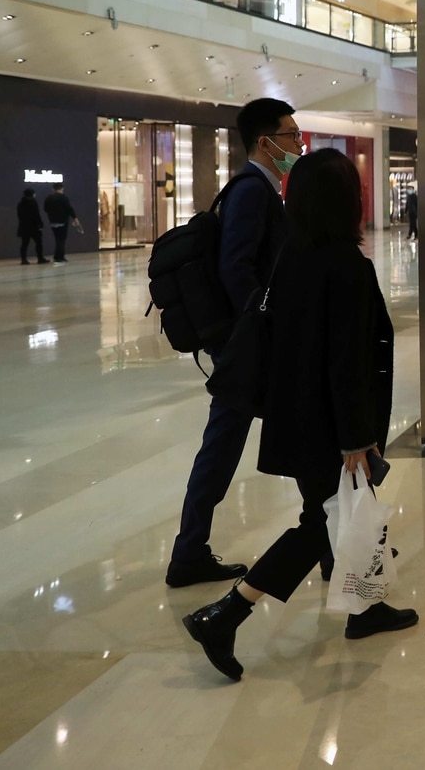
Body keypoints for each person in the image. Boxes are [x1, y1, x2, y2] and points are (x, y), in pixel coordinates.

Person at [183, 148, 415, 681]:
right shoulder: (345, 267)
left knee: (340, 514)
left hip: (299, 416)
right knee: (322, 522)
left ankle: (365, 608)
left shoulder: (292, 257)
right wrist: (356, 436)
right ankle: (225, 613)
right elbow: (346, 363)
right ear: (346, 202)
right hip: (333, 425)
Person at [166, 98, 298, 588]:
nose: (298, 143)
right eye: (290, 134)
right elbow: (235, 267)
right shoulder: (251, 191)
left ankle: (190, 549)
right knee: (223, 444)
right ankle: (188, 551)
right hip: (249, 346)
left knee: (231, 441)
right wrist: (259, 323)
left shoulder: (261, 190)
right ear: (265, 142)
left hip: (249, 342)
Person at [43, 182, 83, 264]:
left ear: (53, 189)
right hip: (63, 221)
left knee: (57, 239)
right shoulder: (64, 198)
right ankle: (59, 257)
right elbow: (69, 208)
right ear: (62, 188)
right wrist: (75, 218)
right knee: (61, 240)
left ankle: (58, 256)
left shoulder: (49, 198)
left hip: (53, 221)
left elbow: (45, 209)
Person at [16, 188, 47, 265]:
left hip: (24, 226)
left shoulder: (20, 203)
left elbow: (19, 215)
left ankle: (23, 259)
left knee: (24, 244)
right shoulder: (33, 202)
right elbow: (36, 215)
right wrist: (40, 223)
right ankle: (40, 258)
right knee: (38, 243)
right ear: (32, 194)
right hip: (34, 227)